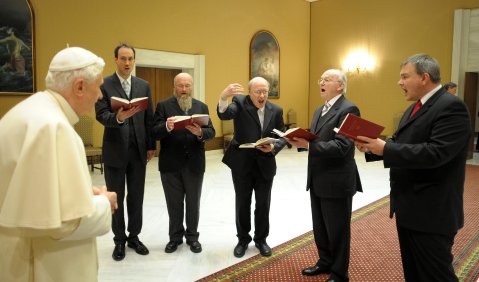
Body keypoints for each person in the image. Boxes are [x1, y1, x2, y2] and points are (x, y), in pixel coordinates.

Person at [0, 47, 117, 281]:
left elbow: (41, 195)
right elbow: (62, 223)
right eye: (99, 86)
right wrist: (104, 203)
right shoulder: (55, 128)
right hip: (42, 264)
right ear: (80, 86)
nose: (101, 96)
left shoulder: (29, 111)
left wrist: (82, 194)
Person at [355, 54, 471, 281]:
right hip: (410, 208)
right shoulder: (414, 108)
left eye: (404, 77)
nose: (400, 82)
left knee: (436, 275)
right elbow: (402, 145)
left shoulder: (451, 107)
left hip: (432, 212)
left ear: (424, 77)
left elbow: (436, 153)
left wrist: (385, 149)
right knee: (415, 274)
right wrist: (373, 148)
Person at [287, 69, 362, 282]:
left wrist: (309, 145)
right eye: (320, 79)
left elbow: (343, 147)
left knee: (338, 230)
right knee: (320, 226)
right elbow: (318, 139)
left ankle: (339, 273)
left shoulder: (349, 109)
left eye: (327, 80)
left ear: (340, 85)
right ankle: (325, 261)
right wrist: (299, 141)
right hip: (318, 178)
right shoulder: (320, 109)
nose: (321, 82)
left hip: (337, 180)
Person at [95, 43, 156, 261]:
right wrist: (118, 118)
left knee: (137, 197)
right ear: (115, 60)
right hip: (115, 150)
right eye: (123, 58)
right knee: (116, 198)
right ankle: (119, 240)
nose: (127, 62)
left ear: (134, 60)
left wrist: (150, 145)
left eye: (130, 58)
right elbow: (101, 115)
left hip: (138, 151)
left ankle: (134, 237)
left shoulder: (143, 86)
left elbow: (149, 119)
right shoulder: (105, 85)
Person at [217, 76, 288, 258]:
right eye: (258, 91)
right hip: (242, 163)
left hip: (265, 163)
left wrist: (274, 147)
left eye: (265, 91)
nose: (262, 95)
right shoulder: (239, 102)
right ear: (250, 93)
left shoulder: (276, 110)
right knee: (242, 203)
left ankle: (261, 239)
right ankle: (242, 239)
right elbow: (225, 114)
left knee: (263, 204)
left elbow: (283, 135)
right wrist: (223, 97)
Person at [152, 73, 215, 254]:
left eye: (187, 85)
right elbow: (154, 132)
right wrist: (167, 127)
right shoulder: (163, 106)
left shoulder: (201, 106)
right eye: (180, 86)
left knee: (193, 203)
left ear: (192, 86)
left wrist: (200, 133)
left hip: (194, 164)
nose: (184, 90)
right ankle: (175, 238)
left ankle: (193, 237)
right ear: (174, 87)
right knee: (174, 203)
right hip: (170, 164)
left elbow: (211, 131)